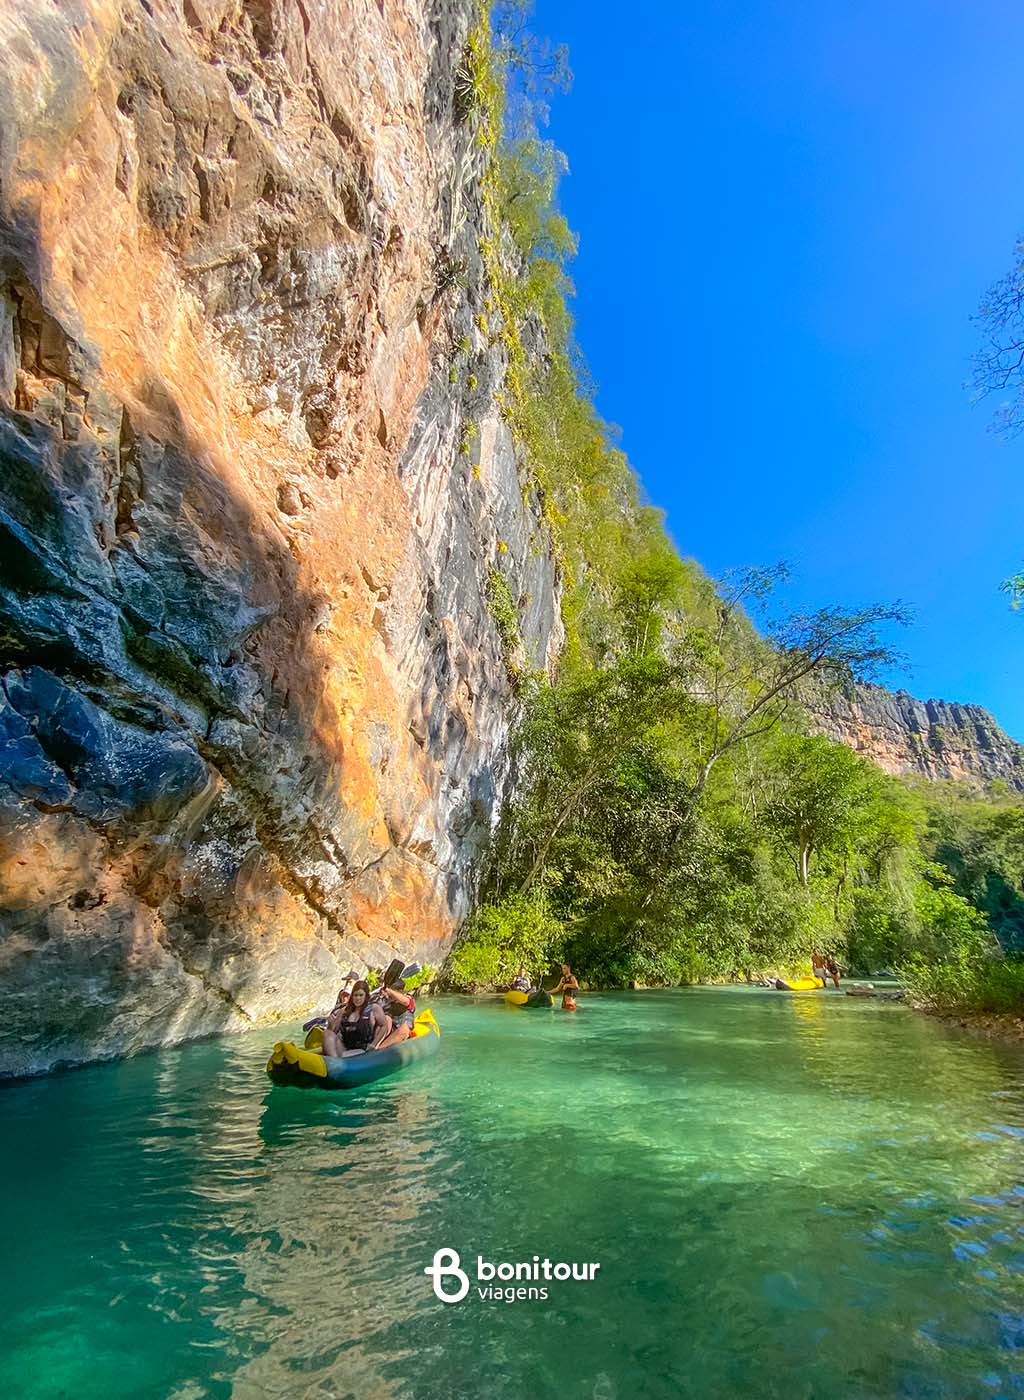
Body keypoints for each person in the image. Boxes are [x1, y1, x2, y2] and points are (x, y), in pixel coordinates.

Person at [321, 980, 388, 1057]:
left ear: (366, 996)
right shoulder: (344, 1011)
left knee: (344, 1055)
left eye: (361, 995)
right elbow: (333, 1032)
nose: (358, 998)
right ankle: (334, 1061)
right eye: (355, 995)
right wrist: (330, 1024)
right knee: (327, 1033)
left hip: (363, 1049)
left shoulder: (374, 1009)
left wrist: (374, 1044)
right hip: (345, 1047)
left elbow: (384, 1026)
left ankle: (336, 1061)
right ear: (352, 996)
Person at [373, 980, 417, 1049]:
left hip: (402, 1034)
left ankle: (378, 1049)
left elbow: (406, 1002)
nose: (389, 995)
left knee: (404, 1029)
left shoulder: (409, 999)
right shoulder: (384, 1001)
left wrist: (389, 991)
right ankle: (375, 1045)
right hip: (387, 1033)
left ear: (400, 991)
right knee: (387, 1019)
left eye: (392, 992)